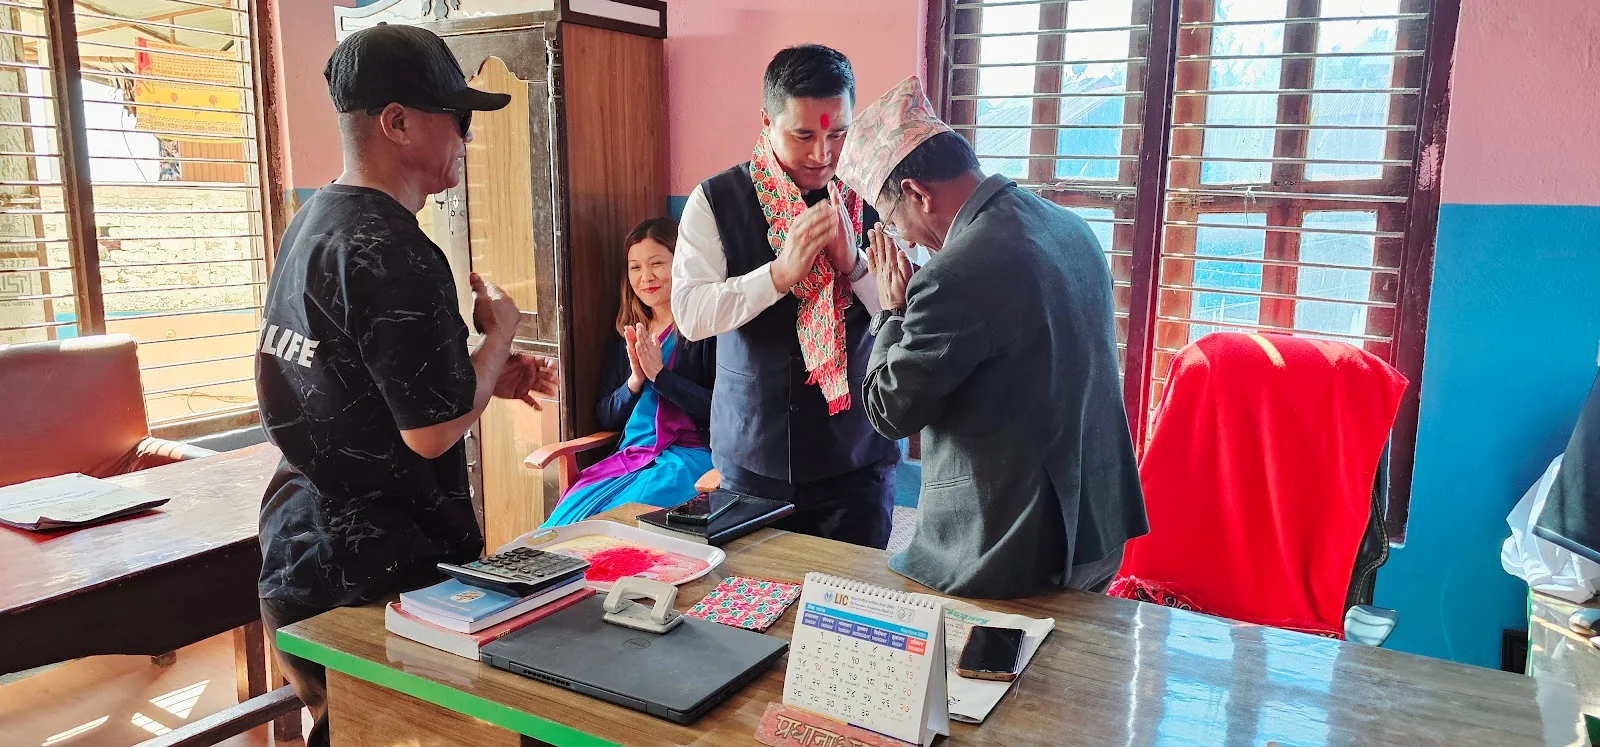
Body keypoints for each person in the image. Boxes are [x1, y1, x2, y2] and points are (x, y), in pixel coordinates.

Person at [254, 24, 557, 746]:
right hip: (374, 566)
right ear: (396, 122)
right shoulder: (395, 248)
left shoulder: (314, 219)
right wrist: (498, 335)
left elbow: (357, 379)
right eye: (456, 118)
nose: (466, 138)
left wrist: (482, 375)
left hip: (297, 547)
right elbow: (431, 431)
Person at [837, 77, 1147, 599]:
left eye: (891, 221)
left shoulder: (955, 273)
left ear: (917, 194)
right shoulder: (1069, 226)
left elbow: (889, 411)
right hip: (1096, 521)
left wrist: (892, 311)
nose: (901, 238)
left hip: (1012, 545)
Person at [671, 45, 899, 549]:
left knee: (852, 594)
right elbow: (689, 314)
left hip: (857, 454)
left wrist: (854, 266)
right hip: (752, 458)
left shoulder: (879, 195)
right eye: (804, 135)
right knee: (750, 594)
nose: (823, 154)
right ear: (766, 122)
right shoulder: (716, 201)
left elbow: (906, 312)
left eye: (837, 133)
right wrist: (778, 275)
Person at [541, 218, 715, 526]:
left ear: (682, 263)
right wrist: (636, 379)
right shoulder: (630, 333)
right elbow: (606, 416)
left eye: (657, 264)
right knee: (565, 526)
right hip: (632, 457)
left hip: (687, 459)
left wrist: (661, 377)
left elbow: (722, 411)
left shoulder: (705, 330)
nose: (646, 277)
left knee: (617, 525)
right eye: (635, 267)